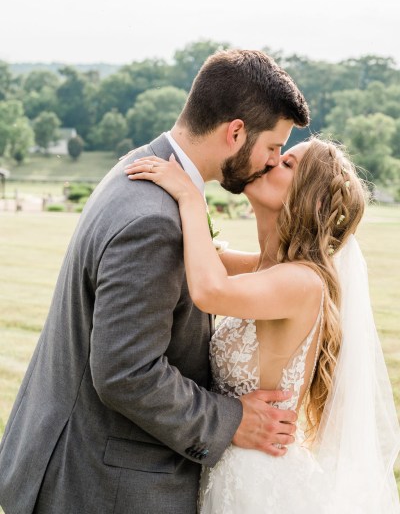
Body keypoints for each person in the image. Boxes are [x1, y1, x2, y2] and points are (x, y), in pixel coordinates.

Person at [0, 50, 310, 514]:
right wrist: (232, 420)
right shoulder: (155, 218)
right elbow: (127, 372)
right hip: (102, 485)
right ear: (236, 132)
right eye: (272, 148)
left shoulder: (142, 168)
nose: (271, 162)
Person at [124, 136, 400, 513]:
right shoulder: (268, 268)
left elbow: (208, 288)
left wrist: (190, 196)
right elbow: (209, 258)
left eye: (287, 164)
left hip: (261, 483)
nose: (270, 163)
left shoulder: (302, 282)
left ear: (312, 200)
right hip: (230, 464)